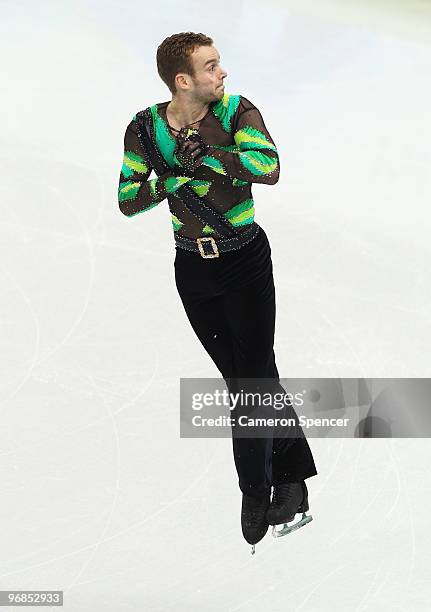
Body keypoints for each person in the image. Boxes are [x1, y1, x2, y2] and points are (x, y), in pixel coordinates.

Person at [118, 31, 318, 553]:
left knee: (248, 385)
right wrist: (173, 179)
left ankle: (256, 490)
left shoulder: (235, 113)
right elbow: (128, 197)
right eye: (211, 67)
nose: (222, 73)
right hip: (193, 270)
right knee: (250, 377)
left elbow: (267, 167)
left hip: (245, 261)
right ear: (183, 80)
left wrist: (207, 157)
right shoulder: (144, 128)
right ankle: (293, 480)